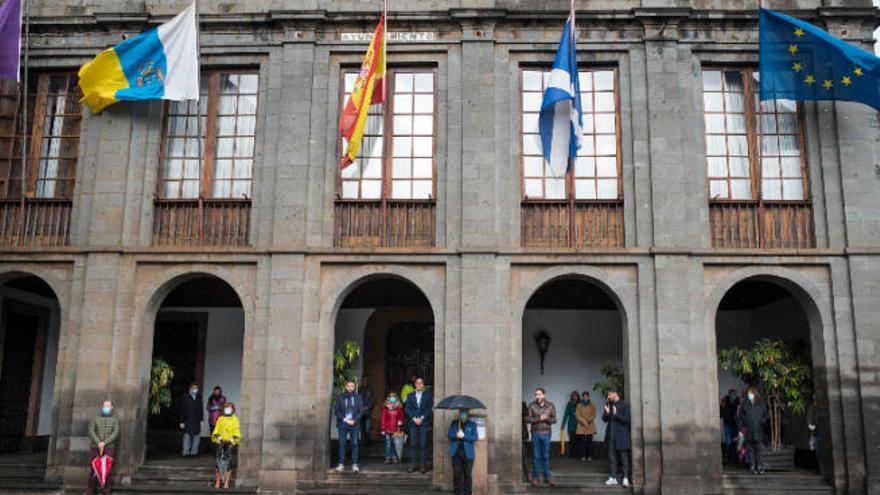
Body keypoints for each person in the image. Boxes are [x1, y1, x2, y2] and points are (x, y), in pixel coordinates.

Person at [87, 400, 119, 495]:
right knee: (93, 469)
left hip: (109, 448)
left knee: (107, 470)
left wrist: (104, 443)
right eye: (104, 406)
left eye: (108, 406)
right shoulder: (95, 419)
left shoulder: (115, 420)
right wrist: (98, 442)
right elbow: (91, 430)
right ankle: (90, 491)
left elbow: (115, 433)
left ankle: (106, 491)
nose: (106, 408)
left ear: (111, 408)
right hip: (95, 447)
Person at [526, 387, 556, 487]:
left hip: (546, 434)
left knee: (546, 456)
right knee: (535, 456)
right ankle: (535, 477)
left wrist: (546, 418)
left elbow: (554, 420)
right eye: (536, 394)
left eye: (539, 394)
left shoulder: (550, 405)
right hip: (535, 433)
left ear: (544, 395)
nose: (537, 396)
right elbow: (527, 419)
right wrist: (539, 418)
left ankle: (547, 476)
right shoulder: (531, 405)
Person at [602, 388, 631, 488]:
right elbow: (604, 419)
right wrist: (606, 412)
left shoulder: (624, 405)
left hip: (622, 436)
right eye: (608, 395)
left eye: (610, 394)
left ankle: (626, 478)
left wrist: (616, 414)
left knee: (623, 457)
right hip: (611, 436)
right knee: (612, 457)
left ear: (615, 394)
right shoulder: (608, 404)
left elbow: (627, 421)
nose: (608, 396)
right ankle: (612, 477)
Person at [404, 377, 432, 473]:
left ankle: (423, 466)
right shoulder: (410, 395)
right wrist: (414, 418)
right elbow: (407, 408)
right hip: (413, 423)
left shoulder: (428, 395)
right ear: (415, 384)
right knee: (413, 444)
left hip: (424, 423)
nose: (419, 385)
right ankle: (413, 465)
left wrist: (422, 418)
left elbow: (429, 409)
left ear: (423, 385)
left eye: (421, 383)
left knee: (423, 444)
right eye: (417, 383)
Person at [737, 387, 768, 475]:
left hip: (758, 430)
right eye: (748, 394)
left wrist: (761, 422)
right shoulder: (745, 405)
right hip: (749, 430)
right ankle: (753, 465)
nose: (749, 395)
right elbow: (740, 417)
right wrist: (743, 426)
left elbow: (765, 416)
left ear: (754, 394)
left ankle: (759, 466)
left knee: (758, 449)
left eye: (750, 393)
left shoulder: (761, 405)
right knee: (751, 450)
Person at [334, 380, 363, 473]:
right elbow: (337, 411)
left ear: (354, 388)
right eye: (348, 386)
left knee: (354, 444)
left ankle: (354, 464)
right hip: (343, 423)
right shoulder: (340, 397)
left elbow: (360, 411)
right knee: (342, 443)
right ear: (345, 387)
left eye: (352, 386)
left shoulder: (358, 397)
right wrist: (345, 419)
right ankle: (341, 464)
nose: (350, 388)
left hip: (354, 424)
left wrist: (354, 420)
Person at [211, 402, 241, 489]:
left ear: (232, 409)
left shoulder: (235, 419)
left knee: (228, 464)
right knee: (218, 463)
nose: (227, 409)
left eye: (229, 408)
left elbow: (237, 431)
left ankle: (226, 483)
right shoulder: (220, 419)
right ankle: (218, 482)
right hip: (221, 443)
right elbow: (216, 430)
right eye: (226, 408)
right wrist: (218, 437)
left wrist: (233, 439)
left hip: (229, 443)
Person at [448, 409, 478, 495]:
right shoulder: (454, 423)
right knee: (457, 474)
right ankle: (457, 492)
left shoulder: (472, 425)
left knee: (467, 474)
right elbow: (450, 434)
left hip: (468, 453)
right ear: (459, 414)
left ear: (467, 415)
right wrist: (456, 435)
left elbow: (475, 437)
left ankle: (467, 493)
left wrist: (465, 436)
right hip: (456, 452)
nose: (463, 416)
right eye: (461, 414)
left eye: (464, 414)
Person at [380, 392, 405, 464]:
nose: (392, 398)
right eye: (391, 396)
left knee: (394, 444)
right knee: (388, 444)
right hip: (387, 429)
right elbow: (383, 418)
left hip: (395, 430)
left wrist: (401, 420)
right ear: (388, 398)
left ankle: (394, 457)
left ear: (396, 398)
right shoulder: (385, 408)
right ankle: (387, 457)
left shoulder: (398, 408)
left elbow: (402, 416)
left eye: (394, 396)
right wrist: (382, 429)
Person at [179, 383, 203, 457]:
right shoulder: (185, 397)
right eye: (193, 388)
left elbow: (200, 410)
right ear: (190, 389)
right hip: (187, 420)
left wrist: (202, 420)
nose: (195, 389)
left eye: (196, 388)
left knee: (197, 436)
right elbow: (182, 410)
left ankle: (194, 452)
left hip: (196, 420)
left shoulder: (199, 398)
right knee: (187, 436)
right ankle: (185, 452)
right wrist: (181, 421)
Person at [575, 391, 597, 461]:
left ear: (588, 396)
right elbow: (577, 415)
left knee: (589, 441)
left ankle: (590, 456)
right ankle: (583, 456)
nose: (585, 397)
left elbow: (594, 414)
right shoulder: (579, 405)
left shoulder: (592, 405)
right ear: (582, 397)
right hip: (581, 425)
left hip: (590, 425)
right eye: (584, 396)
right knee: (582, 442)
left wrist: (588, 420)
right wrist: (583, 421)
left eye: (586, 396)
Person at [720, 389, 739, 464]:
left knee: (734, 441)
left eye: (735, 394)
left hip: (735, 424)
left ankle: (733, 457)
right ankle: (729, 457)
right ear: (729, 394)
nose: (734, 396)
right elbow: (721, 413)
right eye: (732, 394)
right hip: (727, 424)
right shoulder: (725, 402)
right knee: (728, 442)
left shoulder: (737, 402)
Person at [560, 391, 580, 458]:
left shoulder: (580, 404)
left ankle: (578, 455)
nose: (574, 397)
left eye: (576, 396)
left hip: (579, 426)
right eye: (573, 396)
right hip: (571, 426)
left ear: (578, 397)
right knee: (572, 441)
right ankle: (571, 456)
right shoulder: (569, 404)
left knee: (578, 441)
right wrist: (563, 424)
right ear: (571, 397)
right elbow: (566, 415)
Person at [359, 376, 376, 448]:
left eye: (366, 380)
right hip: (359, 413)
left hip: (367, 413)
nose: (365, 382)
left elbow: (373, 401)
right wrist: (360, 408)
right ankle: (361, 443)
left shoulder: (370, 390)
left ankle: (367, 443)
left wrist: (367, 407)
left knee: (367, 428)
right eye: (363, 380)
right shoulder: (359, 390)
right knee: (360, 428)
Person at [521, 401, 531, 483]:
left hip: (522, 433)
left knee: (524, 455)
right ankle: (526, 476)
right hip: (522, 432)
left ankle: (526, 476)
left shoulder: (522, 404)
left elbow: (527, 418)